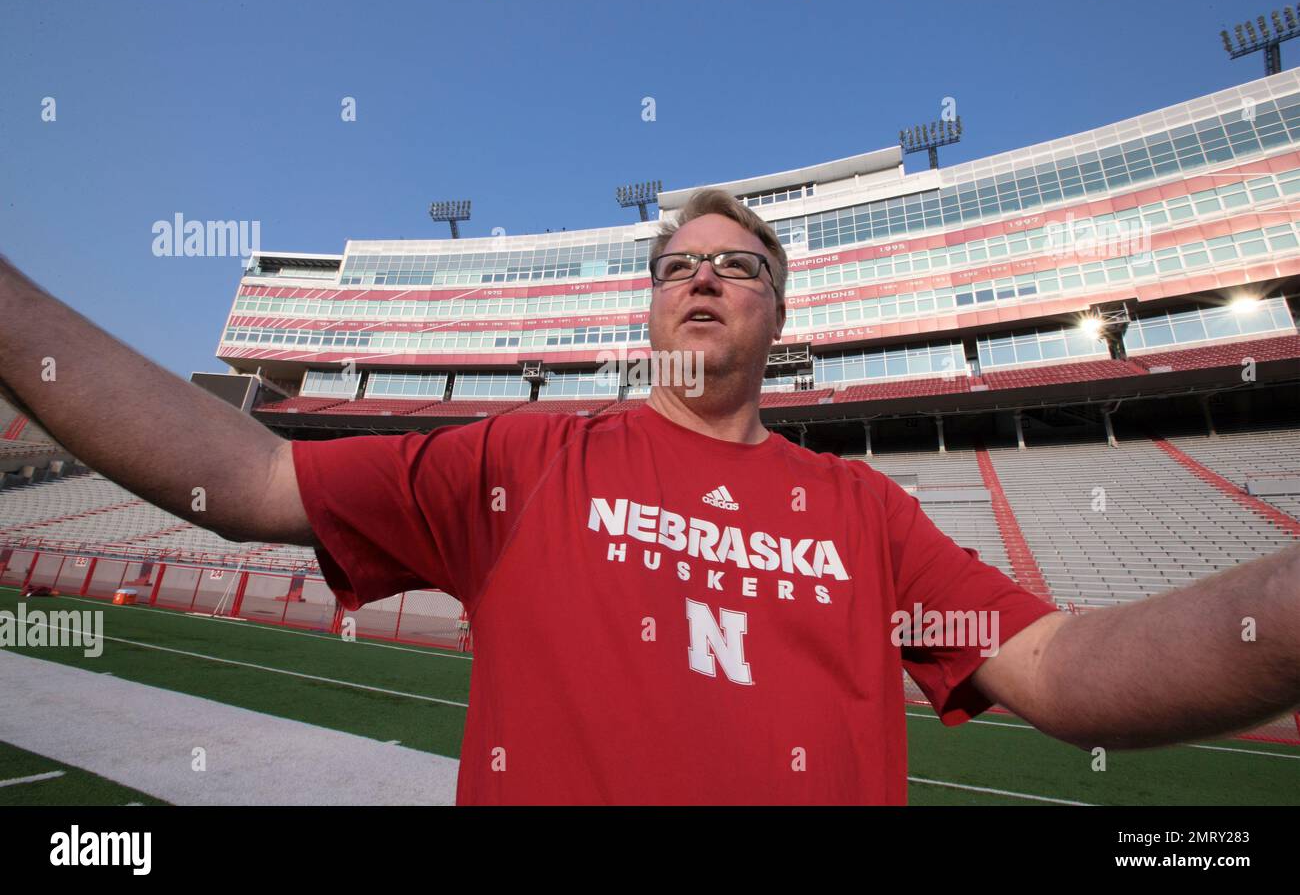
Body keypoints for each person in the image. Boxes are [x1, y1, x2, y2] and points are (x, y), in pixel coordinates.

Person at [1, 189, 1297, 805]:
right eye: (679, 262)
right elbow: (245, 473)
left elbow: (1063, 669)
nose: (705, 277)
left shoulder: (865, 520)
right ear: (649, 301)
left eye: (739, 265)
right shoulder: (518, 463)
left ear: (779, 315)